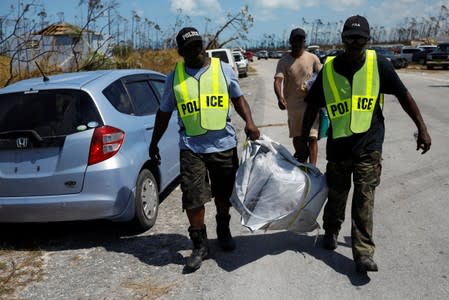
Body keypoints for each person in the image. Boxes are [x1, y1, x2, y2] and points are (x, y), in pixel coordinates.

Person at [300, 15, 431, 273]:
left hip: (369, 144)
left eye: (360, 39)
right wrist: (304, 140)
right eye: (350, 38)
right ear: (343, 40)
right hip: (339, 146)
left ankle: (363, 252)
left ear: (368, 40)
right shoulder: (328, 70)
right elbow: (312, 106)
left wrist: (422, 128)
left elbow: (404, 96)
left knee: (364, 197)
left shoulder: (378, 65)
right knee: (337, 194)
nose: (355, 43)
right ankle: (331, 230)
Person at [149, 27, 260, 272]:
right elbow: (164, 111)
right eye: (190, 47)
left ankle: (223, 227)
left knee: (223, 194)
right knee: (192, 197)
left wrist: (250, 122)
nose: (197, 50)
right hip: (191, 147)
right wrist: (153, 141)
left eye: (199, 44)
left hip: (223, 144)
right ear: (181, 52)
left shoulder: (223, 69)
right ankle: (199, 245)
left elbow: (238, 99)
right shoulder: (174, 77)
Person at [273, 28, 322, 165]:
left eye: (300, 40)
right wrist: (280, 97)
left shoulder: (313, 58)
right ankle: (303, 162)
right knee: (298, 138)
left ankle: (313, 169)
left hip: (311, 105)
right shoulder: (284, 60)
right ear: (290, 42)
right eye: (295, 40)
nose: (298, 43)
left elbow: (323, 77)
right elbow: (277, 81)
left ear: (304, 42)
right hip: (293, 107)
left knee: (312, 137)